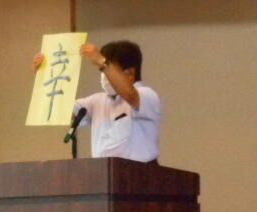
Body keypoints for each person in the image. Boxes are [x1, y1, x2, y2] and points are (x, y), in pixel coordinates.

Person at [32, 40, 161, 163]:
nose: (104, 74)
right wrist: (45, 74)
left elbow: (129, 94)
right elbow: (59, 109)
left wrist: (101, 61)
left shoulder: (147, 95)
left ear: (130, 74)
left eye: (109, 69)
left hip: (140, 173)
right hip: (103, 171)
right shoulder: (96, 101)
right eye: (102, 70)